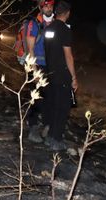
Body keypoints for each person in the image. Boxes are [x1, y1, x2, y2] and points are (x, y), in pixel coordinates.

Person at [43, 0, 77, 151]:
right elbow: (68, 55)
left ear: (56, 12)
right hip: (62, 74)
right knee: (62, 108)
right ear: (68, 13)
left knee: (53, 105)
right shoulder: (65, 30)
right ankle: (56, 140)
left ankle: (50, 137)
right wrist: (74, 78)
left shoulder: (48, 29)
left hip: (50, 72)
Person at [25, 0, 55, 143]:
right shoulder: (34, 24)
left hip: (49, 66)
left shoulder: (54, 23)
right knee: (36, 98)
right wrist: (34, 71)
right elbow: (30, 50)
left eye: (51, 5)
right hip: (36, 65)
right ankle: (33, 127)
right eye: (46, 6)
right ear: (40, 7)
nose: (49, 8)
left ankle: (47, 125)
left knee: (49, 98)